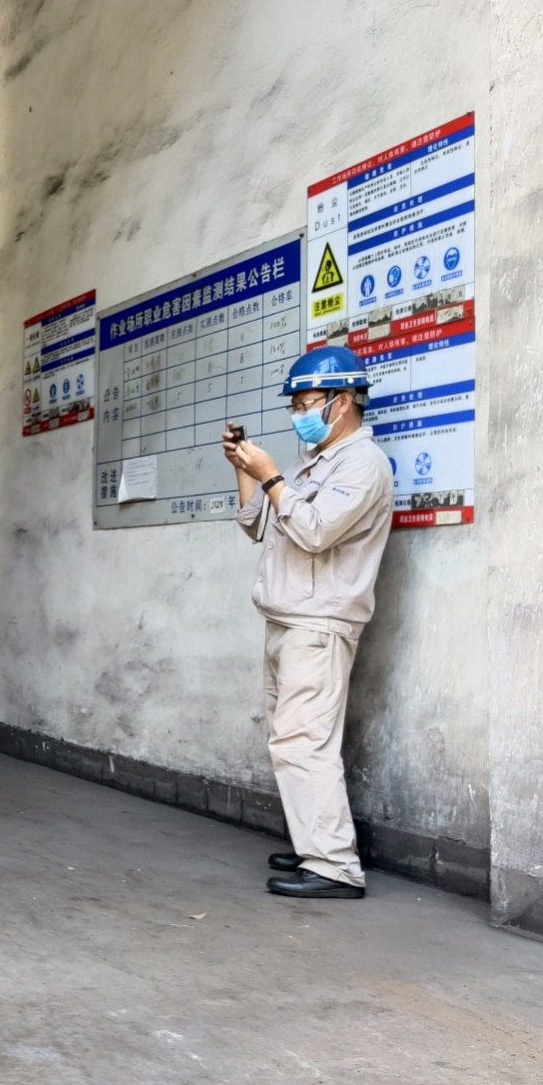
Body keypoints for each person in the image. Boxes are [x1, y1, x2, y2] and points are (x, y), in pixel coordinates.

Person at [221, 345, 393, 900]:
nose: (299, 413)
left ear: (342, 402)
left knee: (304, 741)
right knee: (291, 738)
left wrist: (272, 476)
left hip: (319, 625)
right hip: (285, 619)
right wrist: (247, 471)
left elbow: (316, 531)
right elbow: (257, 524)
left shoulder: (363, 464)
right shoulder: (310, 463)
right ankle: (314, 843)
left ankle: (335, 867)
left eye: (306, 403)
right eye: (294, 404)